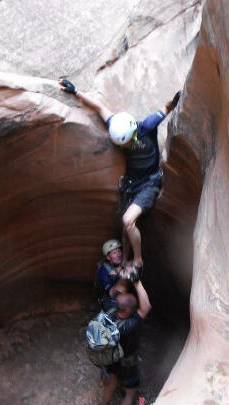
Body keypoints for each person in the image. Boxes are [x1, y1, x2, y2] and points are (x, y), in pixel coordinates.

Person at [59, 78, 180, 272]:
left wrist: (175, 103)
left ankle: (138, 261)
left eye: (124, 144)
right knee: (124, 229)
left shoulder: (147, 126)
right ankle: (124, 262)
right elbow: (99, 107)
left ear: (133, 134)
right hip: (131, 184)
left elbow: (165, 109)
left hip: (150, 182)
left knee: (127, 221)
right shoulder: (116, 124)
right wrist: (76, 91)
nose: (123, 148)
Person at [96, 279, 151, 405]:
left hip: (112, 361)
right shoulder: (131, 325)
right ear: (128, 311)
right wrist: (137, 281)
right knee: (130, 393)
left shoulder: (109, 314)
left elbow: (111, 294)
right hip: (128, 365)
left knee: (110, 386)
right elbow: (146, 306)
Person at [95, 238, 138, 311]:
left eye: (119, 251)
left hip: (122, 293)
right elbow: (113, 293)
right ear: (108, 257)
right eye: (114, 253)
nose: (119, 254)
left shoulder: (120, 263)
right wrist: (123, 275)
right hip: (108, 299)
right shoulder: (103, 271)